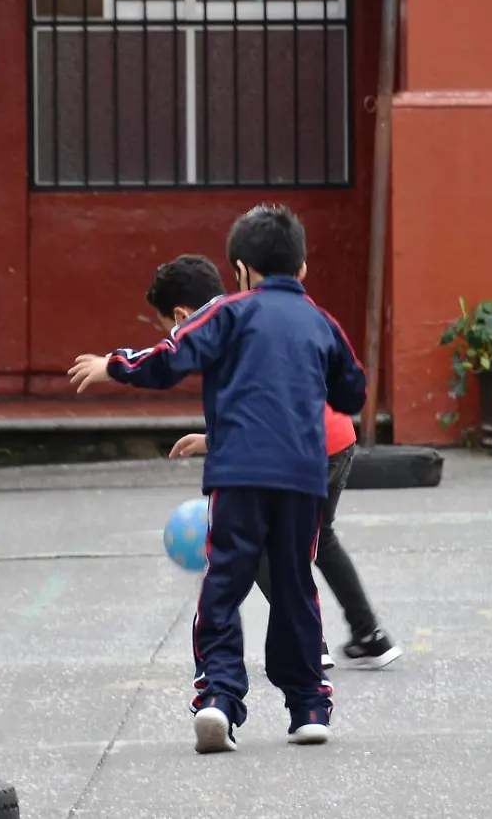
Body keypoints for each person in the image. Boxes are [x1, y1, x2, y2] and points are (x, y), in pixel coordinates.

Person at [69, 205, 367, 754]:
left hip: (239, 474)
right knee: (296, 585)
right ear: (301, 267)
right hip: (304, 477)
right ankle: (307, 707)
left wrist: (114, 364)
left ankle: (219, 700)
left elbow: (172, 356)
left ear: (240, 269)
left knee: (225, 582)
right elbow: (353, 391)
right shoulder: (322, 323)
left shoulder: (228, 314)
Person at [145, 254, 401, 672]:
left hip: (299, 448)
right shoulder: (254, 316)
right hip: (336, 437)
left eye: (169, 329)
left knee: (264, 543)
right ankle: (369, 634)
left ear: (181, 315)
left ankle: (308, 641)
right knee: (322, 539)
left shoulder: (215, 335)